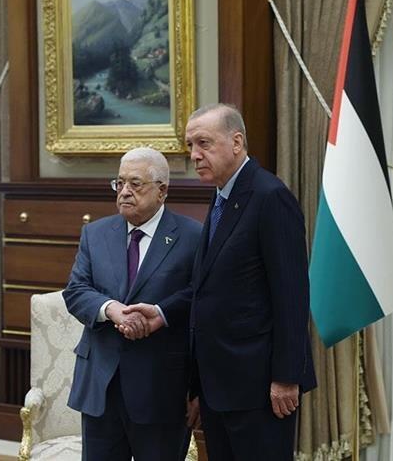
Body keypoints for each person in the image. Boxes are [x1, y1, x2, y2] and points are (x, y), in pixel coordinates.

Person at [127, 104, 317, 460]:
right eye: (190, 146)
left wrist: (286, 377)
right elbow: (211, 289)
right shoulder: (221, 197)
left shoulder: (270, 196)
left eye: (204, 143)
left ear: (237, 142)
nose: (194, 155)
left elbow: (292, 295)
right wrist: (162, 313)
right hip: (219, 387)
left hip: (260, 388)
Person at [63, 147, 202, 461]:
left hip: (162, 388)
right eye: (120, 183)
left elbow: (200, 297)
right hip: (101, 385)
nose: (124, 191)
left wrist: (161, 314)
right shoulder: (95, 233)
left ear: (161, 191)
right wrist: (111, 309)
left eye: (135, 184)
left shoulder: (193, 236)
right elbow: (76, 291)